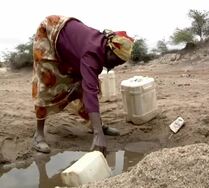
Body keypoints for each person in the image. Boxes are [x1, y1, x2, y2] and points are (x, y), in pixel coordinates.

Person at [31, 15, 134, 156]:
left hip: (69, 43)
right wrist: (99, 135)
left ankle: (96, 125)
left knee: (83, 85)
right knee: (47, 85)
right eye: (115, 61)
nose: (113, 66)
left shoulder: (101, 47)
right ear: (109, 50)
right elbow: (90, 91)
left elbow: (89, 88)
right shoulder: (92, 53)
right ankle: (38, 135)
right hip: (48, 33)